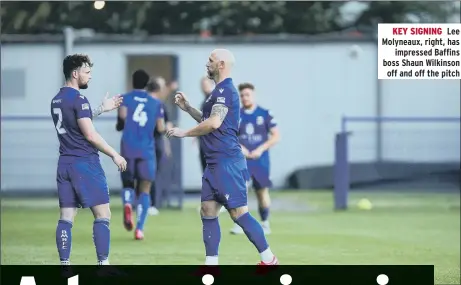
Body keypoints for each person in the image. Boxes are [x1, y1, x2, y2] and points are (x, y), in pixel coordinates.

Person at [166, 49, 278, 265]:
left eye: (210, 60)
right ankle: (211, 266)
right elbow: (210, 118)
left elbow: (214, 123)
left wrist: (184, 132)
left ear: (221, 64)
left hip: (227, 162)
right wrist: (188, 108)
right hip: (214, 163)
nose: (206, 63)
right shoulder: (217, 91)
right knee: (207, 210)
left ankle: (269, 260)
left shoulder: (226, 90)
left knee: (238, 213)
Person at [51, 54, 126, 266]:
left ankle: (64, 266)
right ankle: (103, 266)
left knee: (66, 217)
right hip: (85, 163)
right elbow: (90, 135)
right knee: (103, 214)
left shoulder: (56, 100)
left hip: (64, 164)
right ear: (75, 74)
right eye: (87, 72)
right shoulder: (79, 99)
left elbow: (76, 123)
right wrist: (114, 154)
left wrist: (102, 108)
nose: (90, 76)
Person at [116, 70, 165, 240]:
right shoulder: (156, 103)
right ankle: (140, 228)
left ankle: (128, 203)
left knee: (128, 183)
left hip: (128, 146)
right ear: (146, 84)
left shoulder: (125, 98)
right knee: (145, 188)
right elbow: (160, 128)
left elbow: (122, 118)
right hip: (146, 149)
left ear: (133, 82)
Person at [230, 83, 280, 235]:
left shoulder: (265, 114)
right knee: (240, 191)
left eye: (247, 95)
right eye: (242, 95)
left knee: (262, 192)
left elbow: (276, 136)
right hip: (242, 159)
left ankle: (265, 223)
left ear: (253, 95)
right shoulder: (235, 115)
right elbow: (229, 136)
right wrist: (241, 148)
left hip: (260, 160)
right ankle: (241, 224)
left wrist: (260, 149)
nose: (245, 98)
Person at [146, 77, 173, 216]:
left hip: (141, 141)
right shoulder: (158, 104)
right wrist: (167, 130)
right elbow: (163, 126)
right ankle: (152, 204)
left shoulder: (142, 102)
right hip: (154, 141)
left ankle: (143, 202)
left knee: (144, 171)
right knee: (154, 172)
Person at [198, 77, 215, 172]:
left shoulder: (213, 99)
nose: (203, 87)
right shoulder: (205, 101)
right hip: (204, 141)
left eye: (206, 84)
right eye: (202, 85)